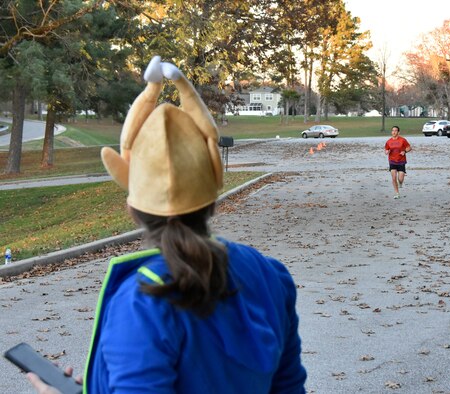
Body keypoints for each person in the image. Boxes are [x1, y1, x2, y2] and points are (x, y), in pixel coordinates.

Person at [26, 56, 307, 393]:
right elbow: (288, 387)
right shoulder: (270, 276)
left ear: (133, 209)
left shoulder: (142, 304)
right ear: (214, 196)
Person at [384, 125, 412, 199]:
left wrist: (405, 151)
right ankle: (397, 193)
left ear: (398, 132)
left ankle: (400, 183)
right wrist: (387, 151)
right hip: (392, 161)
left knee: (400, 178)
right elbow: (386, 149)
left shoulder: (402, 140)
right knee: (393, 178)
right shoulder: (388, 141)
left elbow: (409, 148)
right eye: (393, 130)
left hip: (401, 161)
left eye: (395, 130)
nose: (394, 132)